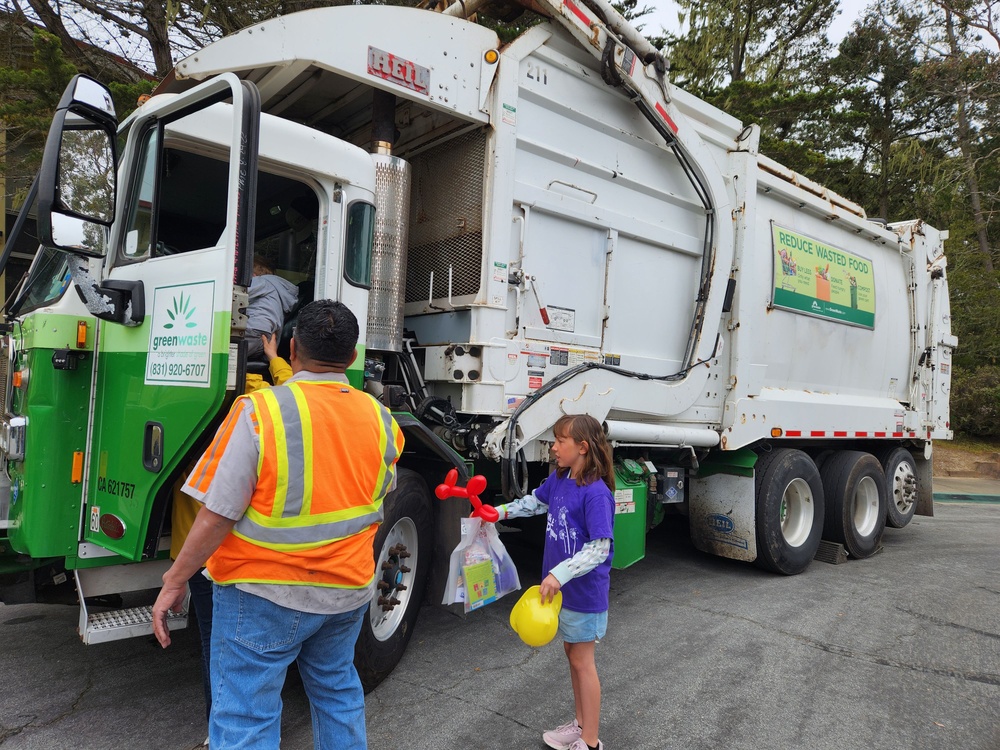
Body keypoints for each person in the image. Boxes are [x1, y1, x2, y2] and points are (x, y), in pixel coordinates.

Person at [153, 300, 404, 750]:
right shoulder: (381, 419)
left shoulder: (257, 411)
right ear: (351, 358)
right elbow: (377, 498)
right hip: (347, 591)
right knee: (337, 693)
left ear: (291, 349)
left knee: (246, 716)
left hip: (262, 594)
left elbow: (217, 514)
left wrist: (175, 580)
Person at [167, 331, 293, 736]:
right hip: (246, 558)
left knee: (216, 649)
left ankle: (216, 731)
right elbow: (294, 391)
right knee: (249, 659)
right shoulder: (256, 405)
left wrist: (177, 575)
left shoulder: (184, 406)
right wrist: (275, 357)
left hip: (203, 558)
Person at [496, 414, 615, 750]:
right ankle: (579, 725)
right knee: (571, 654)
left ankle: (590, 741)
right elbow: (535, 502)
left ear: (582, 447)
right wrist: (500, 513)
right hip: (564, 595)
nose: (553, 447)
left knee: (583, 660)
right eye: (554, 440)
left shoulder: (596, 493)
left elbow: (599, 548)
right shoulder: (560, 479)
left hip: (584, 594)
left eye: (560, 441)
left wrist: (559, 574)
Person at [246, 257, 299, 359]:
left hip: (252, 331)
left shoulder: (261, 282)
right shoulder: (275, 292)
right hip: (265, 339)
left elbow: (235, 294)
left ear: (253, 275)